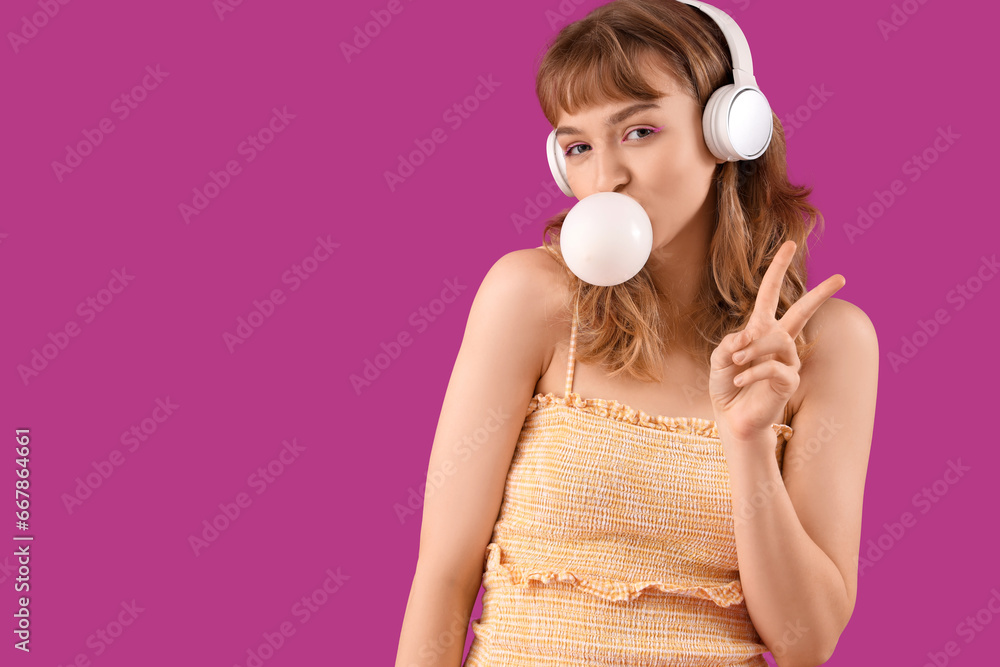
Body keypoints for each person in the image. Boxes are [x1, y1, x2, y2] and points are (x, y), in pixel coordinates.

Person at [395, 1, 878, 665]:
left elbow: (806, 642)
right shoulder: (528, 297)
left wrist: (747, 439)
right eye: (579, 148)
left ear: (731, 130)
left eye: (639, 131)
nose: (606, 178)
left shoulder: (828, 344)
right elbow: (443, 581)